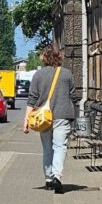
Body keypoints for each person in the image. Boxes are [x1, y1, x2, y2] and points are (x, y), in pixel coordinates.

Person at [23, 45, 76, 194]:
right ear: (59, 57)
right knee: (60, 146)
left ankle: (48, 179)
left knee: (47, 148)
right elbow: (73, 95)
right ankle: (57, 176)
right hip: (62, 115)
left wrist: (26, 121)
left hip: (43, 117)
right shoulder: (67, 74)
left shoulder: (38, 75)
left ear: (44, 58)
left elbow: (32, 99)